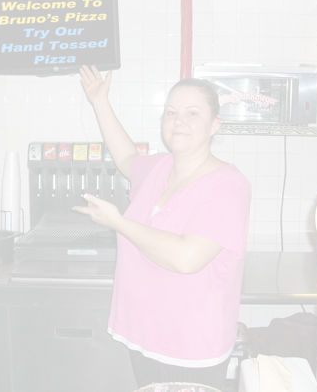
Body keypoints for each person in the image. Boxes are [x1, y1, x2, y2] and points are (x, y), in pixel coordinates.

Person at [73, 65, 252, 390]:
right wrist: (100, 102)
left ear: (215, 124)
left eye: (192, 113)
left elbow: (186, 258)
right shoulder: (159, 166)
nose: (178, 121)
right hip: (143, 333)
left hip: (191, 346)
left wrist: (118, 222)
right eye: (171, 112)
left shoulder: (228, 186)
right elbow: (126, 157)